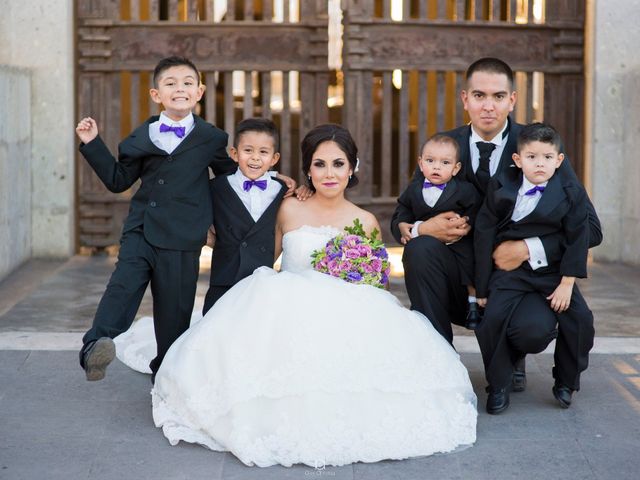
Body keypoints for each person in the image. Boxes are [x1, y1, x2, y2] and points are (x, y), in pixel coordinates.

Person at [137, 124, 477, 467]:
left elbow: (378, 284)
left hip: (350, 317)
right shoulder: (287, 207)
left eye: (338, 164)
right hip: (287, 312)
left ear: (352, 167)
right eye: (319, 164)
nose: (329, 173)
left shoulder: (367, 221)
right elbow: (260, 257)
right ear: (307, 170)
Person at [74, 57, 297, 382]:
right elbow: (118, 180)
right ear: (156, 94)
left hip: (182, 239)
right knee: (122, 287)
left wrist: (274, 178)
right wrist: (93, 143)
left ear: (199, 91)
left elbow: (232, 177)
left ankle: (166, 373)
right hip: (141, 229)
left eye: (187, 83)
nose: (180, 88)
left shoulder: (212, 138)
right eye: (170, 83)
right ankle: (95, 345)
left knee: (174, 312)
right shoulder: (141, 136)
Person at [402, 57, 602, 392]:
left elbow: (590, 229)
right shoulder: (443, 146)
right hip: (461, 276)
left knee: (533, 329)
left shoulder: (539, 147)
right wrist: (422, 228)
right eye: (479, 96)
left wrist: (527, 249)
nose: (488, 106)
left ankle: (513, 355)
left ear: (512, 99)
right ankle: (439, 364)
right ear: (465, 99)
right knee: (420, 249)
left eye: (498, 96)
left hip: (520, 279)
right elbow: (405, 211)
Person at [474, 123, 595, 414]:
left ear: (559, 160)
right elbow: (483, 233)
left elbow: (579, 237)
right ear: (518, 160)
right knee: (491, 320)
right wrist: (480, 286)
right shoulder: (502, 186)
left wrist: (567, 283)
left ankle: (566, 381)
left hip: (553, 272)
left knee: (580, 319)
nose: (539, 163)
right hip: (511, 272)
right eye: (531, 157)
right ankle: (498, 384)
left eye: (546, 157)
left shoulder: (571, 192)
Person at [391, 134, 482, 331]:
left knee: (469, 263)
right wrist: (402, 225)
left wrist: (467, 222)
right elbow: (403, 209)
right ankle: (428, 327)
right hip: (426, 251)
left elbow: (476, 210)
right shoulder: (414, 190)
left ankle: (473, 303)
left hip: (458, 243)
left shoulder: (464, 190)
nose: (437, 167)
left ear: (456, 168)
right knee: (419, 252)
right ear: (420, 163)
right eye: (430, 161)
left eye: (445, 162)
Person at [202, 117, 287, 314]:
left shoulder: (283, 191)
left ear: (274, 159)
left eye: (263, 152)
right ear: (234, 153)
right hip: (224, 280)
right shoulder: (216, 188)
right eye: (248, 150)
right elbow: (196, 217)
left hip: (262, 283)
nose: (255, 158)